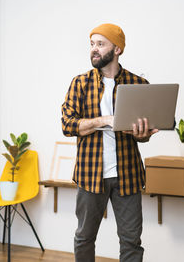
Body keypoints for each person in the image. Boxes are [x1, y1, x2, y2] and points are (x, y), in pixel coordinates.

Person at [61, 23, 159, 262]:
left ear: (117, 49)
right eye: (92, 44)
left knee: (131, 241)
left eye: (100, 44)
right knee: (84, 237)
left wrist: (142, 134)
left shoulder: (138, 84)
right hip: (89, 174)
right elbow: (67, 125)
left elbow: (143, 136)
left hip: (128, 174)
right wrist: (102, 120)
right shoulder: (79, 83)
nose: (94, 49)